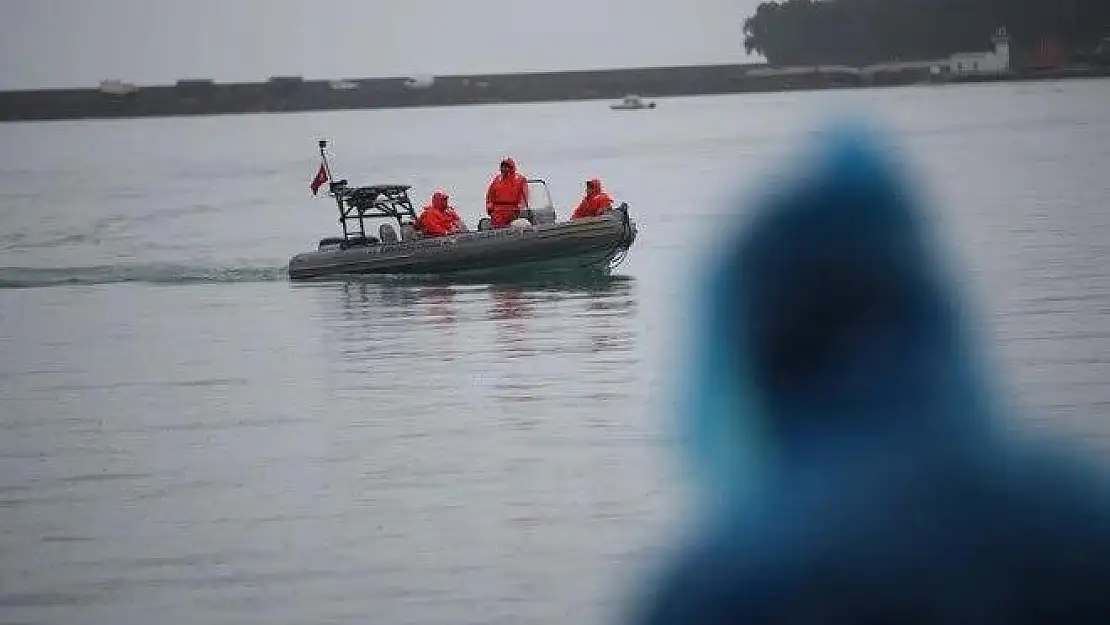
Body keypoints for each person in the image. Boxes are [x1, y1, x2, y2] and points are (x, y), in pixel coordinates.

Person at [485, 157, 530, 228]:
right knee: (496, 227)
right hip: (497, 211)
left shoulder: (520, 179)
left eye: (506, 167)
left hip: (513, 210)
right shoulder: (497, 179)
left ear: (511, 167)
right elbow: (490, 195)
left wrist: (520, 207)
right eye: (503, 167)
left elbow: (524, 196)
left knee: (514, 225)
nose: (504, 169)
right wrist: (489, 206)